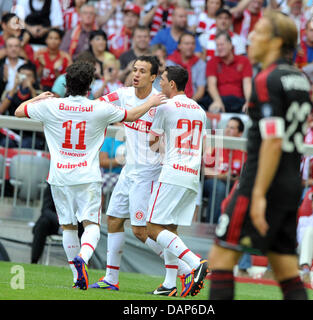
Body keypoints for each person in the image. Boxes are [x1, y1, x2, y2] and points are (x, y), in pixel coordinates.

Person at [14, 60, 166, 290]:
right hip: (87, 176)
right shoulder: (98, 108)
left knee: (68, 227)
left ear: (66, 84)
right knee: (91, 224)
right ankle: (82, 259)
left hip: (59, 176)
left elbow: (18, 111)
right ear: (90, 86)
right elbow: (132, 115)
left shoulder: (50, 106)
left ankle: (77, 279)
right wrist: (153, 101)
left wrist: (39, 97)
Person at [208, 10, 310, 300]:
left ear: (277, 41)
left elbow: (273, 141)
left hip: (261, 182)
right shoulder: (300, 79)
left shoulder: (266, 79)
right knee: (286, 269)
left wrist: (258, 194)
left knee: (220, 259)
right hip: (290, 182)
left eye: (260, 32)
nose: (251, 37)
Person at [89, 56, 192, 292]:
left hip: (150, 172)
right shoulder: (123, 94)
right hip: (129, 170)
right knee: (113, 219)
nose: (136, 74)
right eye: (135, 69)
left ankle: (185, 269)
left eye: (143, 71)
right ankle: (111, 279)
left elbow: (173, 139)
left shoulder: (164, 104)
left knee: (141, 230)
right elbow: (98, 104)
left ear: (154, 77)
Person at [146, 65, 208, 297]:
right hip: (192, 175)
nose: (159, 83)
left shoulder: (165, 106)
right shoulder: (200, 110)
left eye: (162, 80)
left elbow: (152, 142)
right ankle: (170, 283)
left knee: (152, 228)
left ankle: (195, 263)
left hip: (172, 172)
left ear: (172, 84)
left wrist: (164, 148)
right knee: (170, 228)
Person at [203, 117, 247, 224]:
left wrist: (237, 178)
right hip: (212, 182)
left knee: (241, 189)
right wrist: (222, 176)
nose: (227, 130)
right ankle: (212, 226)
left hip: (233, 183)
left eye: (232, 128)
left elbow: (246, 174)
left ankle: (232, 228)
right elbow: (204, 171)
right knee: (220, 187)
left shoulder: (244, 149)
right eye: (227, 126)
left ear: (240, 133)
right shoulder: (215, 143)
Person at [202, 30, 252, 113]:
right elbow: (211, 85)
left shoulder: (243, 61)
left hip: (238, 101)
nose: (219, 48)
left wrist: (248, 102)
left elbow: (247, 84)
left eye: (222, 44)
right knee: (214, 109)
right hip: (219, 98)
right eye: (217, 45)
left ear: (230, 45)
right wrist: (218, 101)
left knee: (248, 109)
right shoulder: (212, 62)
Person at [0, 63, 46, 150]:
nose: (25, 78)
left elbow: (39, 108)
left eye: (28, 76)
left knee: (26, 144)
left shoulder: (39, 94)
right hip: (12, 132)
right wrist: (14, 87)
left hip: (31, 133)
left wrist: (31, 88)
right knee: (5, 142)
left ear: (34, 79)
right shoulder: (10, 92)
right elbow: (1, 110)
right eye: (22, 75)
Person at [166, 32, 206, 101]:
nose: (190, 46)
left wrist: (190, 104)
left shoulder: (200, 63)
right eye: (187, 44)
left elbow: (201, 90)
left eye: (192, 44)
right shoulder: (170, 62)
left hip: (194, 101)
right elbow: (167, 88)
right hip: (173, 101)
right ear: (179, 46)